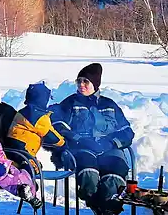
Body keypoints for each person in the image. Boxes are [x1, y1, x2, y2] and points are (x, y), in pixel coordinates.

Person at [50, 63, 135, 215]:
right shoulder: (70, 103)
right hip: (82, 147)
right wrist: (77, 139)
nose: (81, 85)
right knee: (89, 172)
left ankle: (106, 207)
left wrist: (112, 142)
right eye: (79, 81)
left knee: (115, 171)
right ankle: (99, 206)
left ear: (95, 84)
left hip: (109, 148)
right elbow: (57, 124)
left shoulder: (109, 104)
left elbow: (127, 131)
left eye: (85, 81)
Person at [5, 82, 66, 168]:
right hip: (24, 151)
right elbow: (49, 134)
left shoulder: (25, 111)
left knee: (32, 166)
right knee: (34, 168)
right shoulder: (37, 115)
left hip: (14, 148)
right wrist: (62, 143)